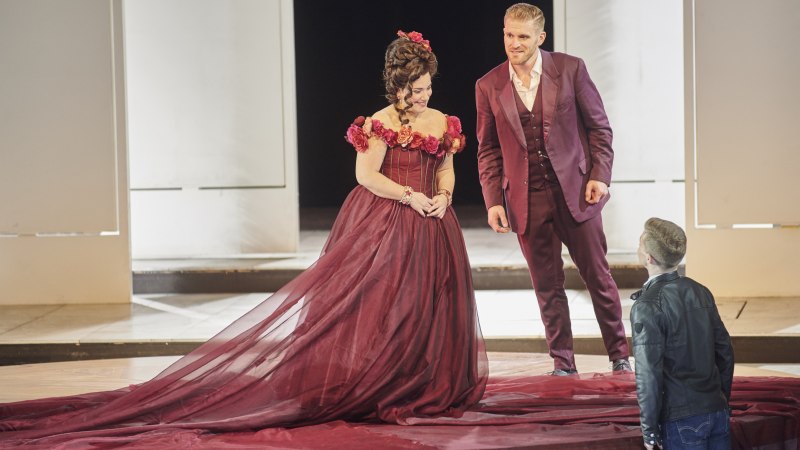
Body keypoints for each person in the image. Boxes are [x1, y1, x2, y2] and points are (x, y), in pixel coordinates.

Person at [0, 30, 487, 448]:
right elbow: (365, 175)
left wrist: (442, 197)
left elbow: (445, 169)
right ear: (397, 85)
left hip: (432, 222)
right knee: (379, 306)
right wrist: (408, 195)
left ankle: (423, 383)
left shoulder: (442, 122)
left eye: (426, 87)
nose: (423, 96)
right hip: (386, 218)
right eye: (416, 89)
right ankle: (381, 384)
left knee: (430, 305)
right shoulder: (377, 123)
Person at [475, 2, 629, 375]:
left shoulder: (570, 69)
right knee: (547, 285)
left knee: (598, 276)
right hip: (526, 199)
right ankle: (562, 362)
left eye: (523, 36)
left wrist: (599, 176)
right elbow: (488, 149)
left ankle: (620, 356)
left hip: (576, 191)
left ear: (540, 37)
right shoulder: (488, 84)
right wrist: (494, 200)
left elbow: (599, 129)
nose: (514, 43)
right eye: (509, 35)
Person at [630, 218, 734, 449]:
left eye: (640, 245)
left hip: (682, 420)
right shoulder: (701, 291)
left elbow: (648, 373)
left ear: (648, 258)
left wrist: (648, 429)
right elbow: (725, 352)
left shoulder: (646, 306)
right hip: (717, 410)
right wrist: (721, 400)